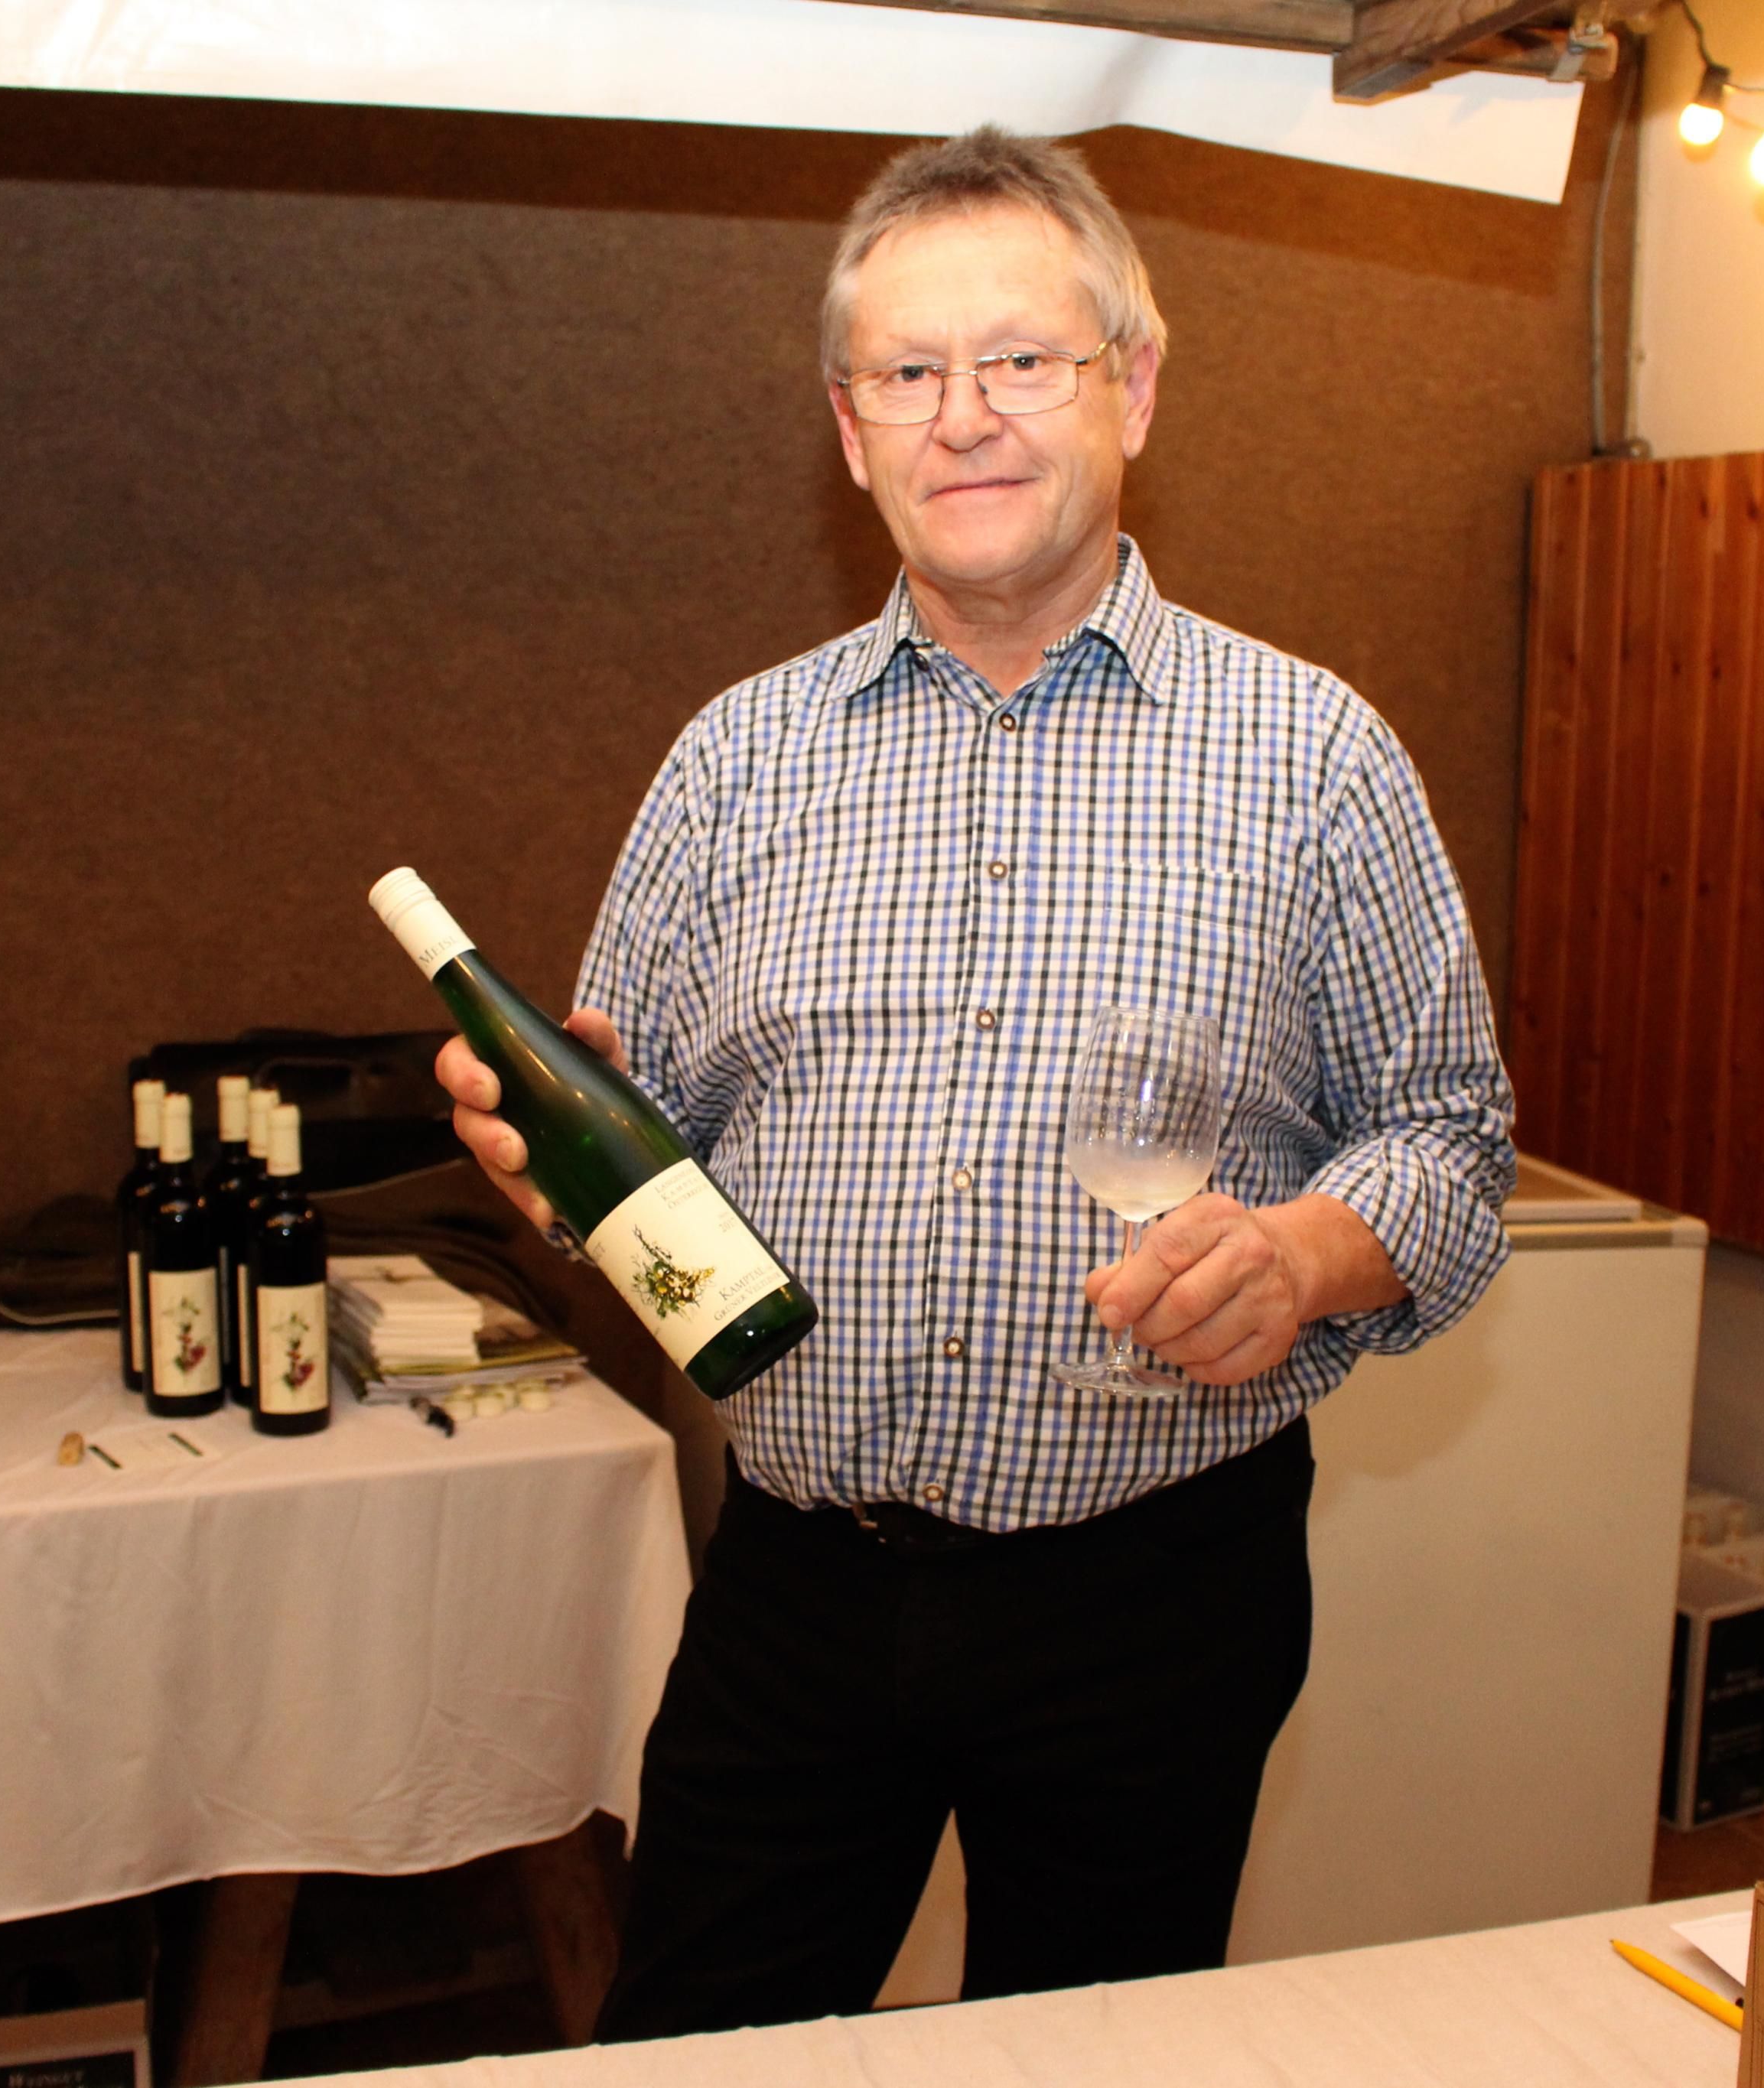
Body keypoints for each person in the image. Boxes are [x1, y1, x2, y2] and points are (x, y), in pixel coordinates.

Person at [437, 125, 1516, 2038]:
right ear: (848, 431)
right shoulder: (731, 765)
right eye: (908, 373)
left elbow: (1450, 1138)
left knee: (1087, 2063)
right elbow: (630, 1170)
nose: (962, 417)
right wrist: (553, 1158)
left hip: (1154, 1600)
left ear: (1134, 388)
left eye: (1019, 359)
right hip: (796, 1586)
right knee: (688, 2061)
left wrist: (1301, 1255)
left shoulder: (1314, 757)